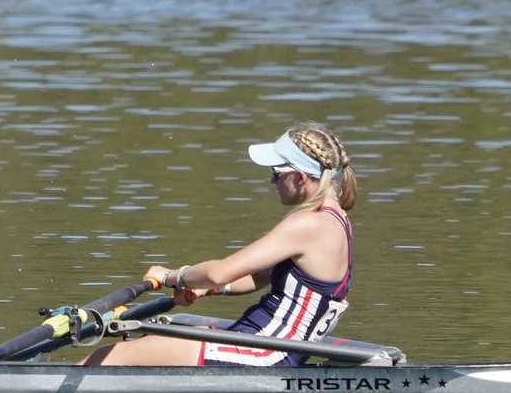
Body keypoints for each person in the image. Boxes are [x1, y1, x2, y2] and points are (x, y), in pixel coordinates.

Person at [85, 122, 357, 367]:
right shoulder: (336, 220)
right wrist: (210, 288)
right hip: (265, 342)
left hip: (265, 352)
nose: (271, 181)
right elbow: (260, 276)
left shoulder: (308, 224)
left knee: (113, 355)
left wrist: (171, 277)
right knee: (156, 341)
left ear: (299, 177)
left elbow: (219, 271)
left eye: (275, 173)